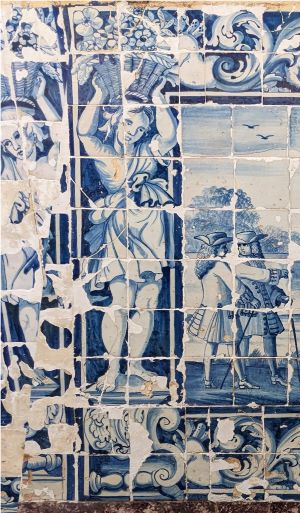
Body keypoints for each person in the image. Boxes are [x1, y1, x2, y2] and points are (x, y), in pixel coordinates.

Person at [77, 72, 178, 392]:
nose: (133, 131)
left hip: (150, 228)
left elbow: (169, 136)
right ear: (117, 119)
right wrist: (96, 95)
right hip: (119, 228)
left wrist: (159, 99)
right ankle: (111, 369)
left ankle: (135, 365)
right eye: (129, 122)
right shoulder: (106, 154)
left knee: (147, 299)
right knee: (120, 300)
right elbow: (84, 132)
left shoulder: (149, 150)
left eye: (140, 128)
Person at [235, 231, 290, 388]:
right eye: (240, 245)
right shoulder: (239, 266)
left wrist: (280, 296)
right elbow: (261, 276)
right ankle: (242, 378)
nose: (242, 248)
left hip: (265, 307)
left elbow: (267, 287)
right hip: (248, 308)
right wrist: (280, 272)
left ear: (254, 246)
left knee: (270, 340)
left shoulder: (259, 263)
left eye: (245, 245)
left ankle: (275, 375)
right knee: (243, 341)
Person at [186, 233, 235, 388]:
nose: (226, 250)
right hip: (220, 311)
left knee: (210, 346)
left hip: (207, 310)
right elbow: (235, 286)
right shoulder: (219, 265)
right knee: (231, 345)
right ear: (214, 249)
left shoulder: (204, 265)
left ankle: (207, 380)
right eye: (223, 247)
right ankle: (239, 380)